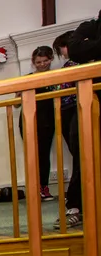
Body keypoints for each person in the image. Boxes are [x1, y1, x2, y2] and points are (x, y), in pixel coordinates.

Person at [17, 47, 58, 202]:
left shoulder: (55, 76)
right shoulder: (27, 78)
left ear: (51, 59)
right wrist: (20, 93)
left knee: (44, 155)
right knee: (31, 155)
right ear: (33, 63)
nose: (42, 64)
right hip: (27, 121)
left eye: (45, 61)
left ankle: (44, 188)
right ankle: (33, 189)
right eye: (38, 62)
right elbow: (15, 104)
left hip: (47, 121)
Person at [53, 31, 82, 229]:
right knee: (81, 159)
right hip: (70, 113)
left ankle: (75, 206)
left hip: (78, 110)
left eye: (61, 48)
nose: (62, 53)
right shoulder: (70, 66)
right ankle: (75, 206)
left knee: (82, 159)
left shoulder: (79, 63)